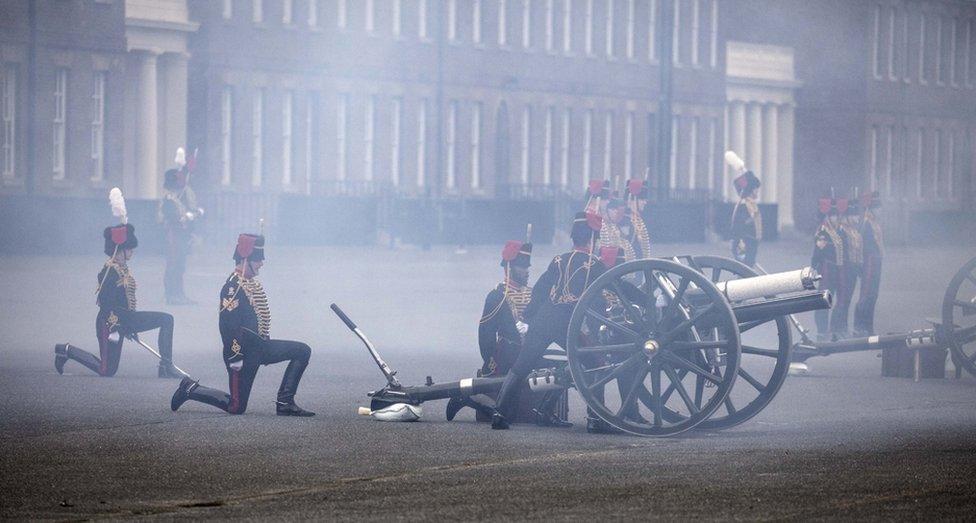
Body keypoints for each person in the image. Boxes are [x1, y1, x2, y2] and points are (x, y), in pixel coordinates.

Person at [170, 233, 315, 416]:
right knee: (236, 407)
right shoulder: (232, 288)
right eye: (258, 259)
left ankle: (285, 402)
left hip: (259, 346)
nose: (261, 263)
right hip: (241, 353)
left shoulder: (249, 283)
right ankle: (190, 389)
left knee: (302, 350)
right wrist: (236, 358)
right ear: (246, 260)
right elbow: (228, 328)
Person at [491, 211, 606, 430]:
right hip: (567, 324)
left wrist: (528, 318)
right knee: (595, 363)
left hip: (544, 319)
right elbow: (603, 297)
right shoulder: (595, 265)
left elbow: (541, 290)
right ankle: (596, 419)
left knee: (520, 367)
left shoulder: (558, 259)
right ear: (591, 238)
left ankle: (499, 414)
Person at [55, 189, 182, 378]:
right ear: (120, 249)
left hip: (126, 320)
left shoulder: (123, 268)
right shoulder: (108, 271)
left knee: (166, 319)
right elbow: (105, 303)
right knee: (107, 370)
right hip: (109, 323)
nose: (132, 252)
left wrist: (130, 326)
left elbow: (125, 302)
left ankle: (166, 365)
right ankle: (66, 350)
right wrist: (116, 328)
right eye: (129, 249)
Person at [446, 241, 533, 422]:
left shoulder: (532, 295)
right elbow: (485, 335)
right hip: (505, 357)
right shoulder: (497, 296)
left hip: (528, 354)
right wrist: (492, 363)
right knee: (505, 414)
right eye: (522, 266)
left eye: (527, 266)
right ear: (509, 266)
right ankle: (468, 397)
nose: (527, 270)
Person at [158, 148, 203, 305]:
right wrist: (185, 217)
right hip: (173, 236)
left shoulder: (177, 198)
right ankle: (171, 294)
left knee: (180, 265)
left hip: (180, 236)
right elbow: (172, 217)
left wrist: (192, 216)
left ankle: (178, 293)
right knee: (173, 265)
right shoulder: (169, 199)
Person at [811, 196, 845, 340]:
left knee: (836, 298)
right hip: (826, 270)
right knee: (824, 299)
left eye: (836, 216)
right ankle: (822, 331)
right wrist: (814, 270)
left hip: (836, 270)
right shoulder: (823, 232)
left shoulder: (837, 231)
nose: (835, 218)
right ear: (828, 216)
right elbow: (817, 253)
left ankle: (833, 329)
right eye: (833, 216)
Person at [853, 191, 883, 336]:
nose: (879, 210)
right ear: (871, 209)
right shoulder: (866, 223)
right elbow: (860, 245)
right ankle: (859, 327)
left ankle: (868, 327)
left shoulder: (875, 223)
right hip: (869, 263)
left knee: (873, 295)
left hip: (876, 262)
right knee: (865, 295)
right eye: (877, 208)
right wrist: (861, 265)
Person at [834, 196, 863, 338]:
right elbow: (841, 252)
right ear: (848, 216)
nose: (857, 218)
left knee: (848, 299)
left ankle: (843, 327)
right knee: (842, 299)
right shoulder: (842, 231)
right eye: (854, 215)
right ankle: (837, 328)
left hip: (852, 270)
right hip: (844, 270)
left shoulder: (855, 231)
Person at [729, 171, 762, 267]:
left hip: (751, 242)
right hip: (745, 243)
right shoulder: (744, 205)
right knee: (745, 270)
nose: (757, 191)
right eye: (756, 189)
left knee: (749, 267)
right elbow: (740, 226)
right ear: (751, 190)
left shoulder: (750, 204)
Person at [624, 179, 652, 260]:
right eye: (642, 199)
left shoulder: (637, 219)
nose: (645, 202)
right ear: (633, 199)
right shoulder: (625, 220)